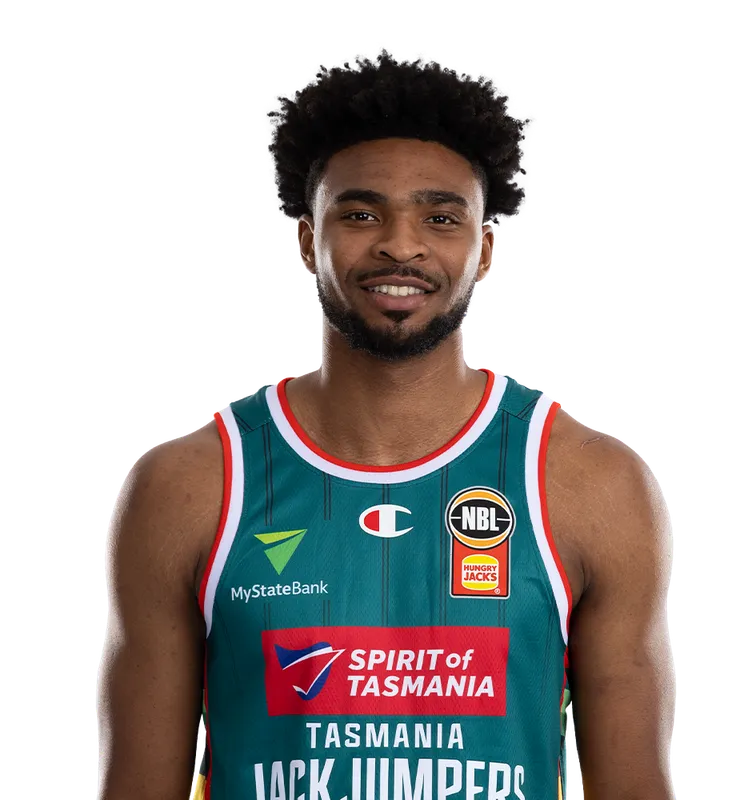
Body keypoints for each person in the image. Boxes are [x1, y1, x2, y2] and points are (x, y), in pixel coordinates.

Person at [97, 48, 677, 800]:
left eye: (440, 217)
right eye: (361, 214)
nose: (401, 245)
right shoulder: (188, 486)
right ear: (307, 241)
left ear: (484, 250)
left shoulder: (592, 483)